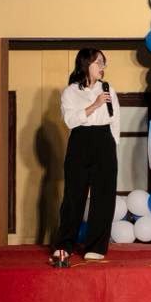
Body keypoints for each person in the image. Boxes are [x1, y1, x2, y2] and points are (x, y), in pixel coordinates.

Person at [50, 47, 120, 264]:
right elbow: (70, 121)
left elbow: (115, 121)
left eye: (103, 63)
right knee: (74, 195)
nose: (102, 67)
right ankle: (65, 244)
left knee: (104, 196)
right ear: (86, 64)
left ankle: (96, 246)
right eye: (98, 62)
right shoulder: (70, 92)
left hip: (104, 140)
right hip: (80, 140)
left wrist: (112, 147)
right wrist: (95, 105)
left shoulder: (108, 89)